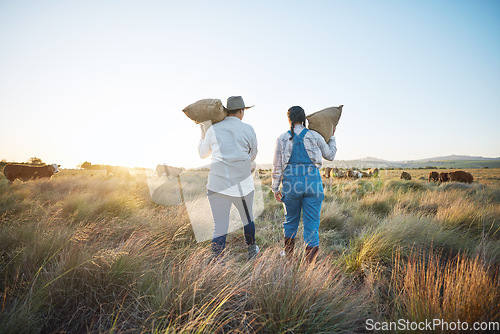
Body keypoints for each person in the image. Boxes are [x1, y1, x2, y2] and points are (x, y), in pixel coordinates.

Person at [272, 106, 337, 262]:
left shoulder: (281, 138)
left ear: (289, 120)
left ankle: (288, 257)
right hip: (313, 185)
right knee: (312, 224)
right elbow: (330, 155)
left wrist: (275, 188)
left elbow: (277, 166)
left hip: (290, 185)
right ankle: (309, 266)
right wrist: (332, 137)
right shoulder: (315, 136)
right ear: (304, 118)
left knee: (290, 221)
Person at [198, 96, 259, 261]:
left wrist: (203, 133)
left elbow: (203, 154)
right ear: (241, 111)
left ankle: (217, 260)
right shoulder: (248, 129)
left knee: (220, 225)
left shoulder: (213, 129)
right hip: (242, 185)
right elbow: (252, 156)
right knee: (247, 219)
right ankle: (252, 251)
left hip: (217, 184)